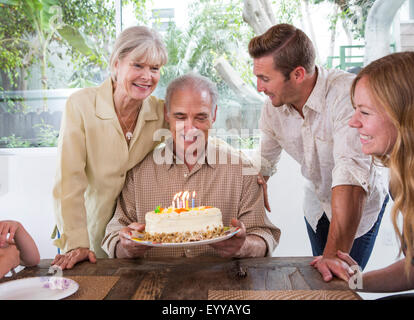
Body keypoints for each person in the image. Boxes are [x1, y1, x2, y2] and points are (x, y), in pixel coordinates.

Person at [248, 23, 388, 282]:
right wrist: (250, 188)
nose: (259, 87)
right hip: (316, 205)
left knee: (342, 282)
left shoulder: (346, 95)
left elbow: (350, 175)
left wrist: (334, 255)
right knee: (320, 277)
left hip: (359, 204)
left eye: (265, 79)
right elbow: (264, 160)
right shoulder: (273, 106)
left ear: (298, 74)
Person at [102, 73, 281, 258]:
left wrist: (243, 247)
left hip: (223, 279)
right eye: (180, 116)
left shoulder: (242, 171)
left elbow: (264, 236)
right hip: (154, 283)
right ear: (166, 114)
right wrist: (126, 247)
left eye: (200, 117)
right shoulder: (138, 172)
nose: (190, 128)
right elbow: (114, 237)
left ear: (214, 114)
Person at [51, 26, 168, 270]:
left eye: (154, 68)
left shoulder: (159, 111)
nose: (147, 76)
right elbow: (68, 181)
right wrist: (76, 243)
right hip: (85, 234)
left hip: (132, 239)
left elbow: (195, 132)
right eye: (138, 65)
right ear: (116, 64)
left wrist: (248, 167)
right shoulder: (81, 105)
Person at [339, 51, 414, 296]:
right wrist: (353, 282)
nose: (353, 122)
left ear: (404, 116)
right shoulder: (401, 176)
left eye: (365, 112)